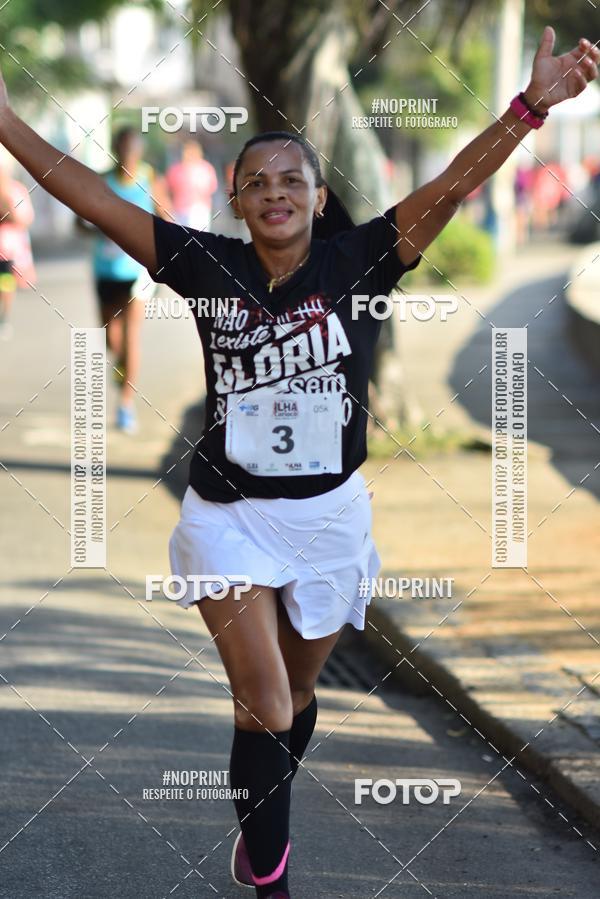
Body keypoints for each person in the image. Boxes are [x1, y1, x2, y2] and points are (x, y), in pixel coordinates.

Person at [0, 26, 596, 898]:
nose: (274, 192)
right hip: (227, 518)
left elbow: (457, 181)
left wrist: (530, 106)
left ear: (319, 200)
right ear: (236, 202)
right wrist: (8, 123)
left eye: (292, 180)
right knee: (266, 702)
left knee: (295, 702)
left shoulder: (360, 262)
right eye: (257, 183)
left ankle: (257, 823)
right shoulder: (206, 268)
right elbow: (89, 196)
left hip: (328, 519)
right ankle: (269, 881)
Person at [81, 126, 171, 433]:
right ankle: (121, 367)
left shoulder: (150, 180)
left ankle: (126, 405)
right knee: (112, 339)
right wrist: (100, 228)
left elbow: (166, 217)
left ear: (140, 152)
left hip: (138, 273)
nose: (128, 158)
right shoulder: (102, 181)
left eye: (133, 152)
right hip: (106, 271)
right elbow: (78, 224)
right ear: (116, 150)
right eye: (123, 151)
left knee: (132, 337)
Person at [0, 148, 35, 339]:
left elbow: (25, 218)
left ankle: (3, 317)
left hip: (7, 251)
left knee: (5, 284)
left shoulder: (17, 191)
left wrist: (8, 211)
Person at [166, 138, 218, 231]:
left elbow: (211, 188)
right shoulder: (175, 169)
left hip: (199, 211)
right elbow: (169, 190)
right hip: (179, 211)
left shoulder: (206, 169)